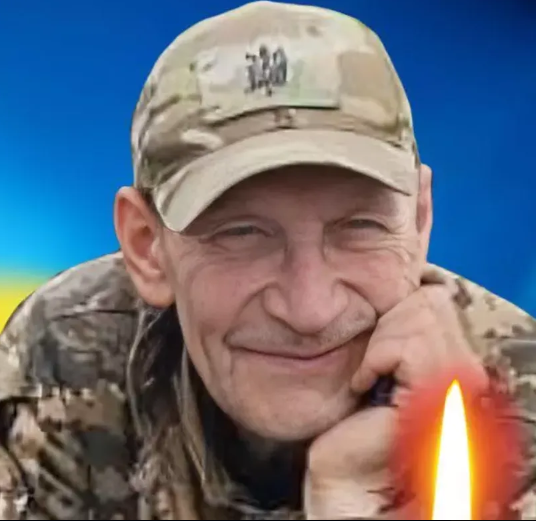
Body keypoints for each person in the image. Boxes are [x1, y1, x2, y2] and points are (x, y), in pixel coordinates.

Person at [0, 1, 535, 519]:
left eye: (359, 227)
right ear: (147, 246)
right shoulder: (68, 358)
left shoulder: (521, 407)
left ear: (418, 223)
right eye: (242, 234)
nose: (309, 310)